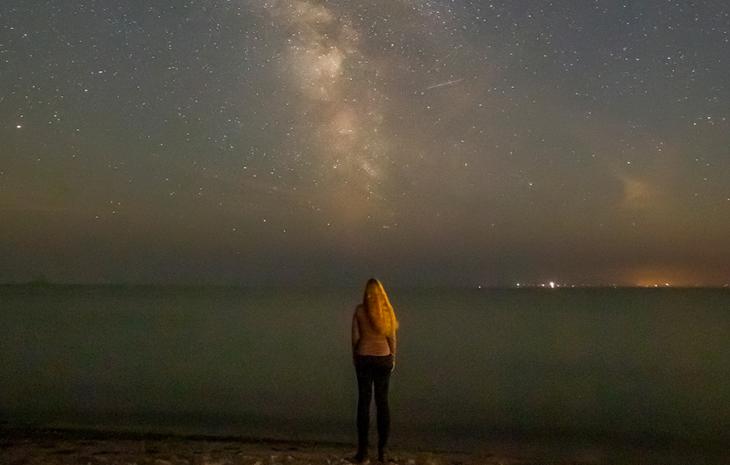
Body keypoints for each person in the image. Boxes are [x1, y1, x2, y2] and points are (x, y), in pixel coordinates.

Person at [351, 278, 398, 463]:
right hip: (383, 358)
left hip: (364, 357)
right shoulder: (387, 311)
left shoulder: (359, 311)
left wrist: (355, 357)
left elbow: (355, 337)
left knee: (364, 402)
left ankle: (363, 453)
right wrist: (392, 357)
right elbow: (392, 338)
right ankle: (382, 452)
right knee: (382, 403)